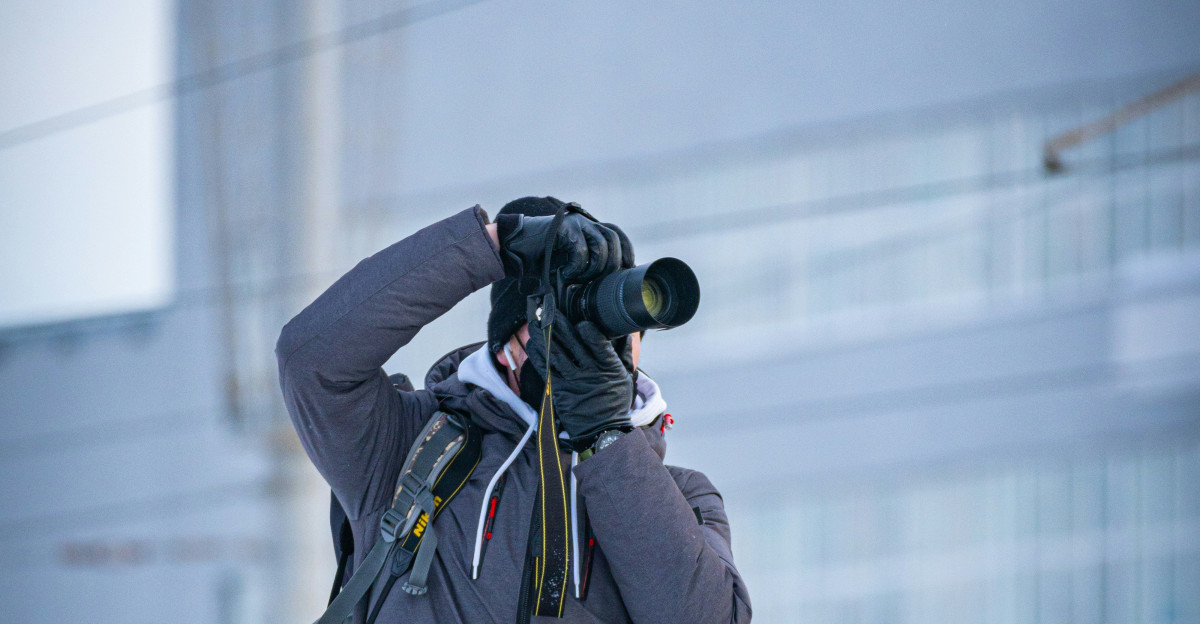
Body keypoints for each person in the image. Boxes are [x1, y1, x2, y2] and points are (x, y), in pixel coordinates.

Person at [276, 197, 752, 623]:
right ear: (506, 346)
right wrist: (497, 245)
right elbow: (310, 360)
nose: (596, 344)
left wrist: (606, 439)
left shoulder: (681, 497)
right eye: (562, 324)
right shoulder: (407, 444)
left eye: (612, 329)